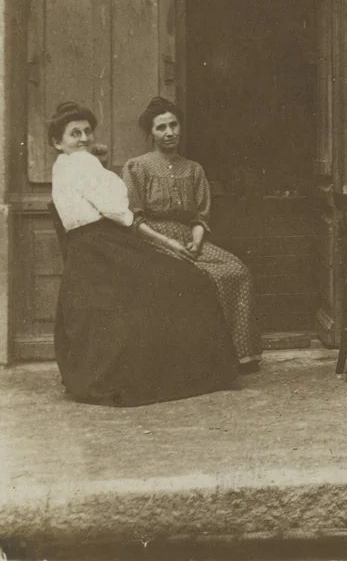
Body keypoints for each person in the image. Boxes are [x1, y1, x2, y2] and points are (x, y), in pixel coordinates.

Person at [49, 101, 238, 406]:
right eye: (75, 134)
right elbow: (116, 207)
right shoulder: (81, 164)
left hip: (87, 252)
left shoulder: (65, 166)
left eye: (87, 131)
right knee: (190, 279)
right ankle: (196, 373)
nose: (84, 138)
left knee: (169, 279)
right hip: (103, 247)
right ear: (57, 142)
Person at [123, 97, 262, 370]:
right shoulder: (136, 167)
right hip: (153, 241)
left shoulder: (194, 169)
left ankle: (238, 355)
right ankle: (204, 358)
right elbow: (135, 220)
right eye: (161, 127)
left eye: (173, 125)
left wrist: (196, 242)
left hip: (191, 239)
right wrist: (170, 243)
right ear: (150, 133)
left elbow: (200, 217)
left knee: (238, 271)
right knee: (196, 279)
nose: (169, 133)